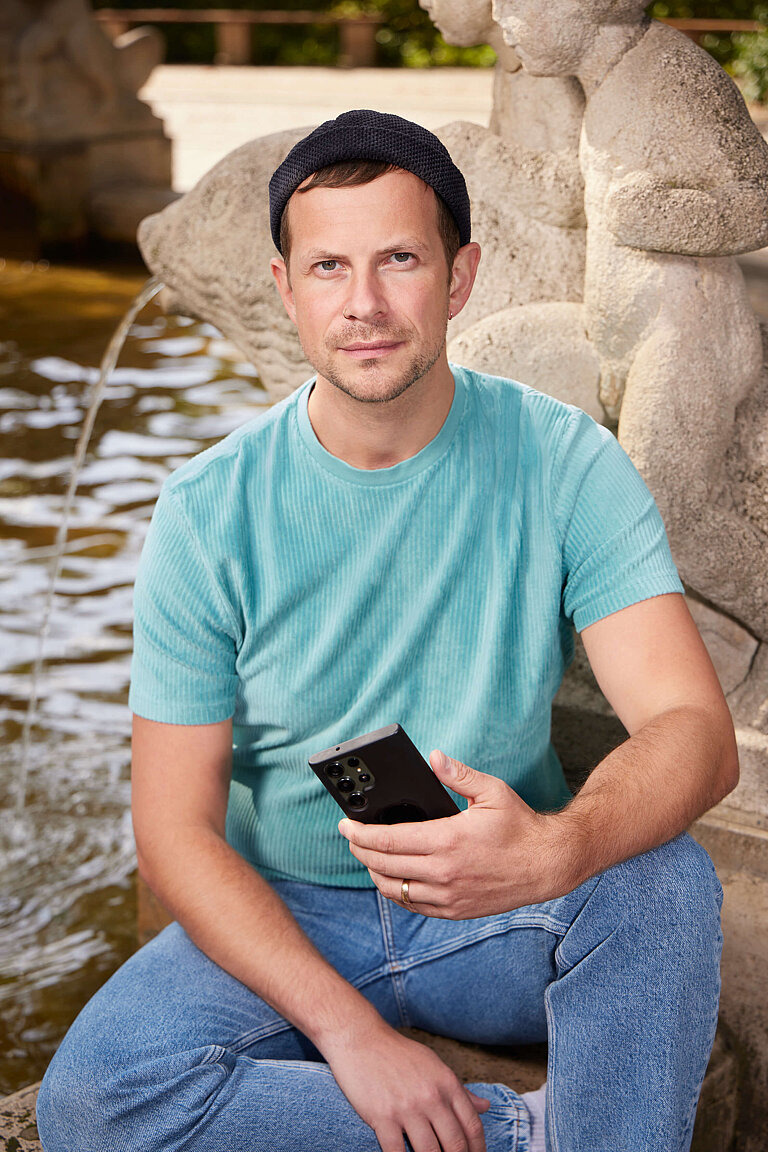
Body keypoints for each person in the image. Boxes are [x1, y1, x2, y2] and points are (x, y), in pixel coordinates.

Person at [37, 109, 736, 1152]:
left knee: (664, 879)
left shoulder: (564, 462)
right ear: (285, 289)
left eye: (400, 259)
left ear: (459, 278)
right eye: (327, 267)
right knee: (93, 1101)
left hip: (508, 903)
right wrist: (351, 1037)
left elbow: (694, 727)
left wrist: (556, 849)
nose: (363, 304)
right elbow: (174, 829)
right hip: (293, 915)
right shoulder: (206, 511)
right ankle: (531, 1137)